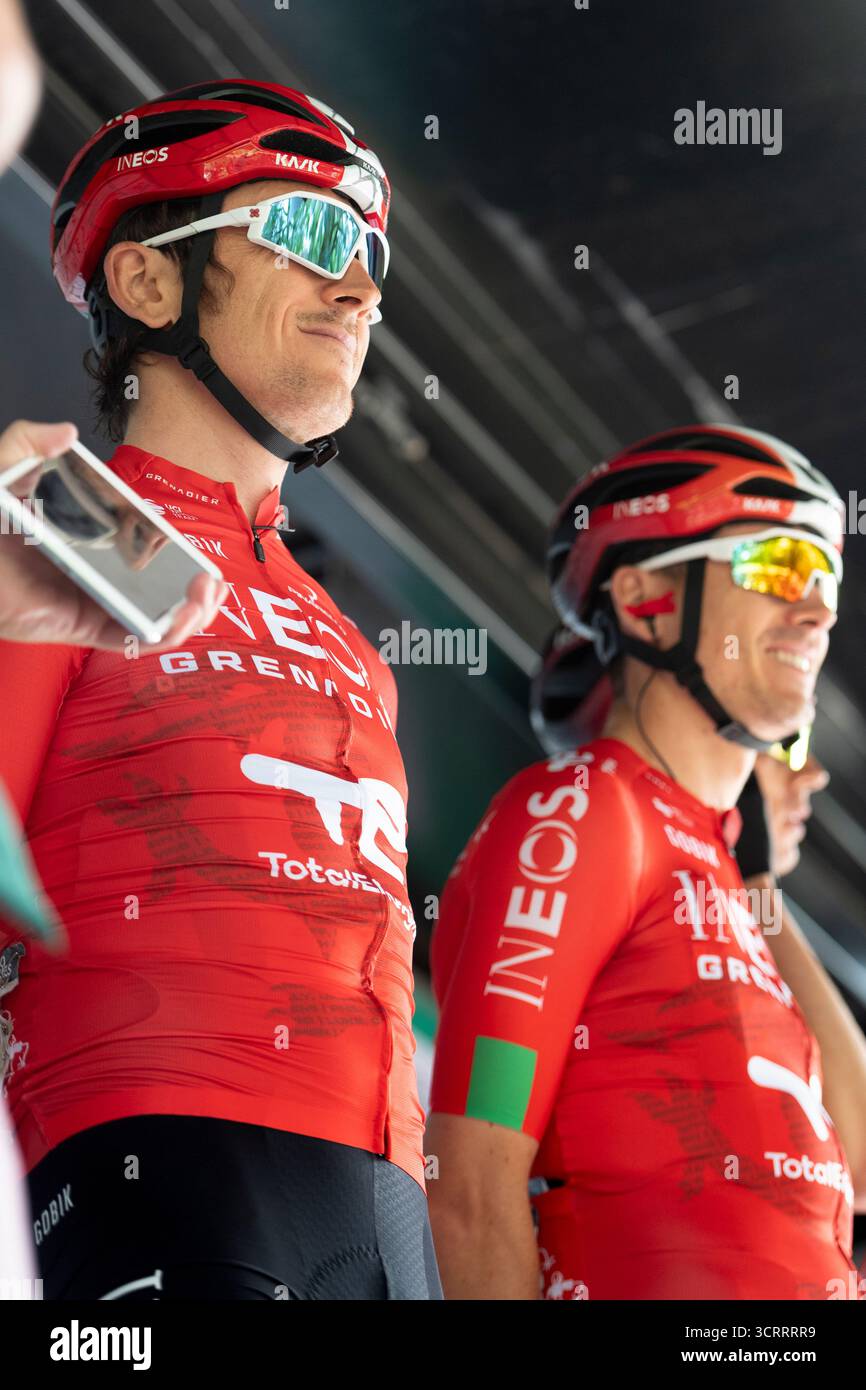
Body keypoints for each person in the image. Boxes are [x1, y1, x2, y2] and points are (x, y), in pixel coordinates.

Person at [0, 79, 440, 1300]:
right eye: (303, 234)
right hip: (155, 1159)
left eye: (365, 252)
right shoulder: (59, 522)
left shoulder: (343, 635)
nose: (357, 287)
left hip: (384, 1203)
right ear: (148, 284)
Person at [426, 425, 866, 1300]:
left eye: (827, 579)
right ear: (646, 600)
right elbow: (470, 1182)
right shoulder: (584, 810)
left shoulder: (722, 878)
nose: (816, 608)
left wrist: (756, 875)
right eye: (778, 565)